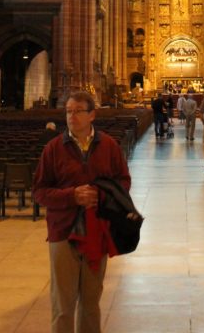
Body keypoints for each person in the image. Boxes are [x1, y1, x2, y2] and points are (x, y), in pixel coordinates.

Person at [33, 91, 131, 333]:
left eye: (78, 111)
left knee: (90, 303)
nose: (71, 116)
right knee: (63, 305)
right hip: (63, 231)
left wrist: (102, 195)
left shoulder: (109, 146)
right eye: (68, 111)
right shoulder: (53, 148)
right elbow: (40, 191)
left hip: (97, 231)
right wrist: (72, 196)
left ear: (92, 115)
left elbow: (124, 182)